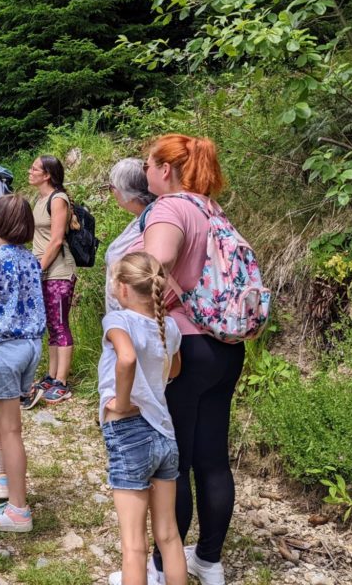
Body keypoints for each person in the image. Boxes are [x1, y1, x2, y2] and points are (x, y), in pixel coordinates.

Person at [138, 134, 238, 585]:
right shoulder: (212, 210)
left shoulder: (170, 209)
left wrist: (139, 326)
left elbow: (153, 266)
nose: (145, 173)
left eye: (147, 165)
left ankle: (163, 567)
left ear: (164, 169)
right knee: (213, 458)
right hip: (224, 347)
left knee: (171, 460)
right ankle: (209, 561)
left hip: (184, 348)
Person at [101, 252, 185, 585]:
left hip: (129, 434)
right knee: (169, 535)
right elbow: (175, 368)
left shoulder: (118, 320)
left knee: (133, 545)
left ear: (122, 289)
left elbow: (126, 357)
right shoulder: (171, 327)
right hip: (165, 433)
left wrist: (121, 404)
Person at [0, 194, 44, 533]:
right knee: (1, 412)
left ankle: (18, 508)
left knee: (11, 428)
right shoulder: (31, 260)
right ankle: (2, 478)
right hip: (30, 345)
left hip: (3, 345)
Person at [24, 154, 77, 407]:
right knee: (51, 325)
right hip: (44, 269)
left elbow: (56, 240)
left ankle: (62, 382)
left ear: (47, 175)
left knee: (59, 323)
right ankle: (52, 375)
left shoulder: (58, 199)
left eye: (35, 169)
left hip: (58, 271)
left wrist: (38, 269)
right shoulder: (41, 198)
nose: (30, 171)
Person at [105, 158, 157, 314]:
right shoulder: (141, 219)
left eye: (112, 187)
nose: (112, 192)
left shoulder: (151, 221)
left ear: (128, 192)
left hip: (137, 320)